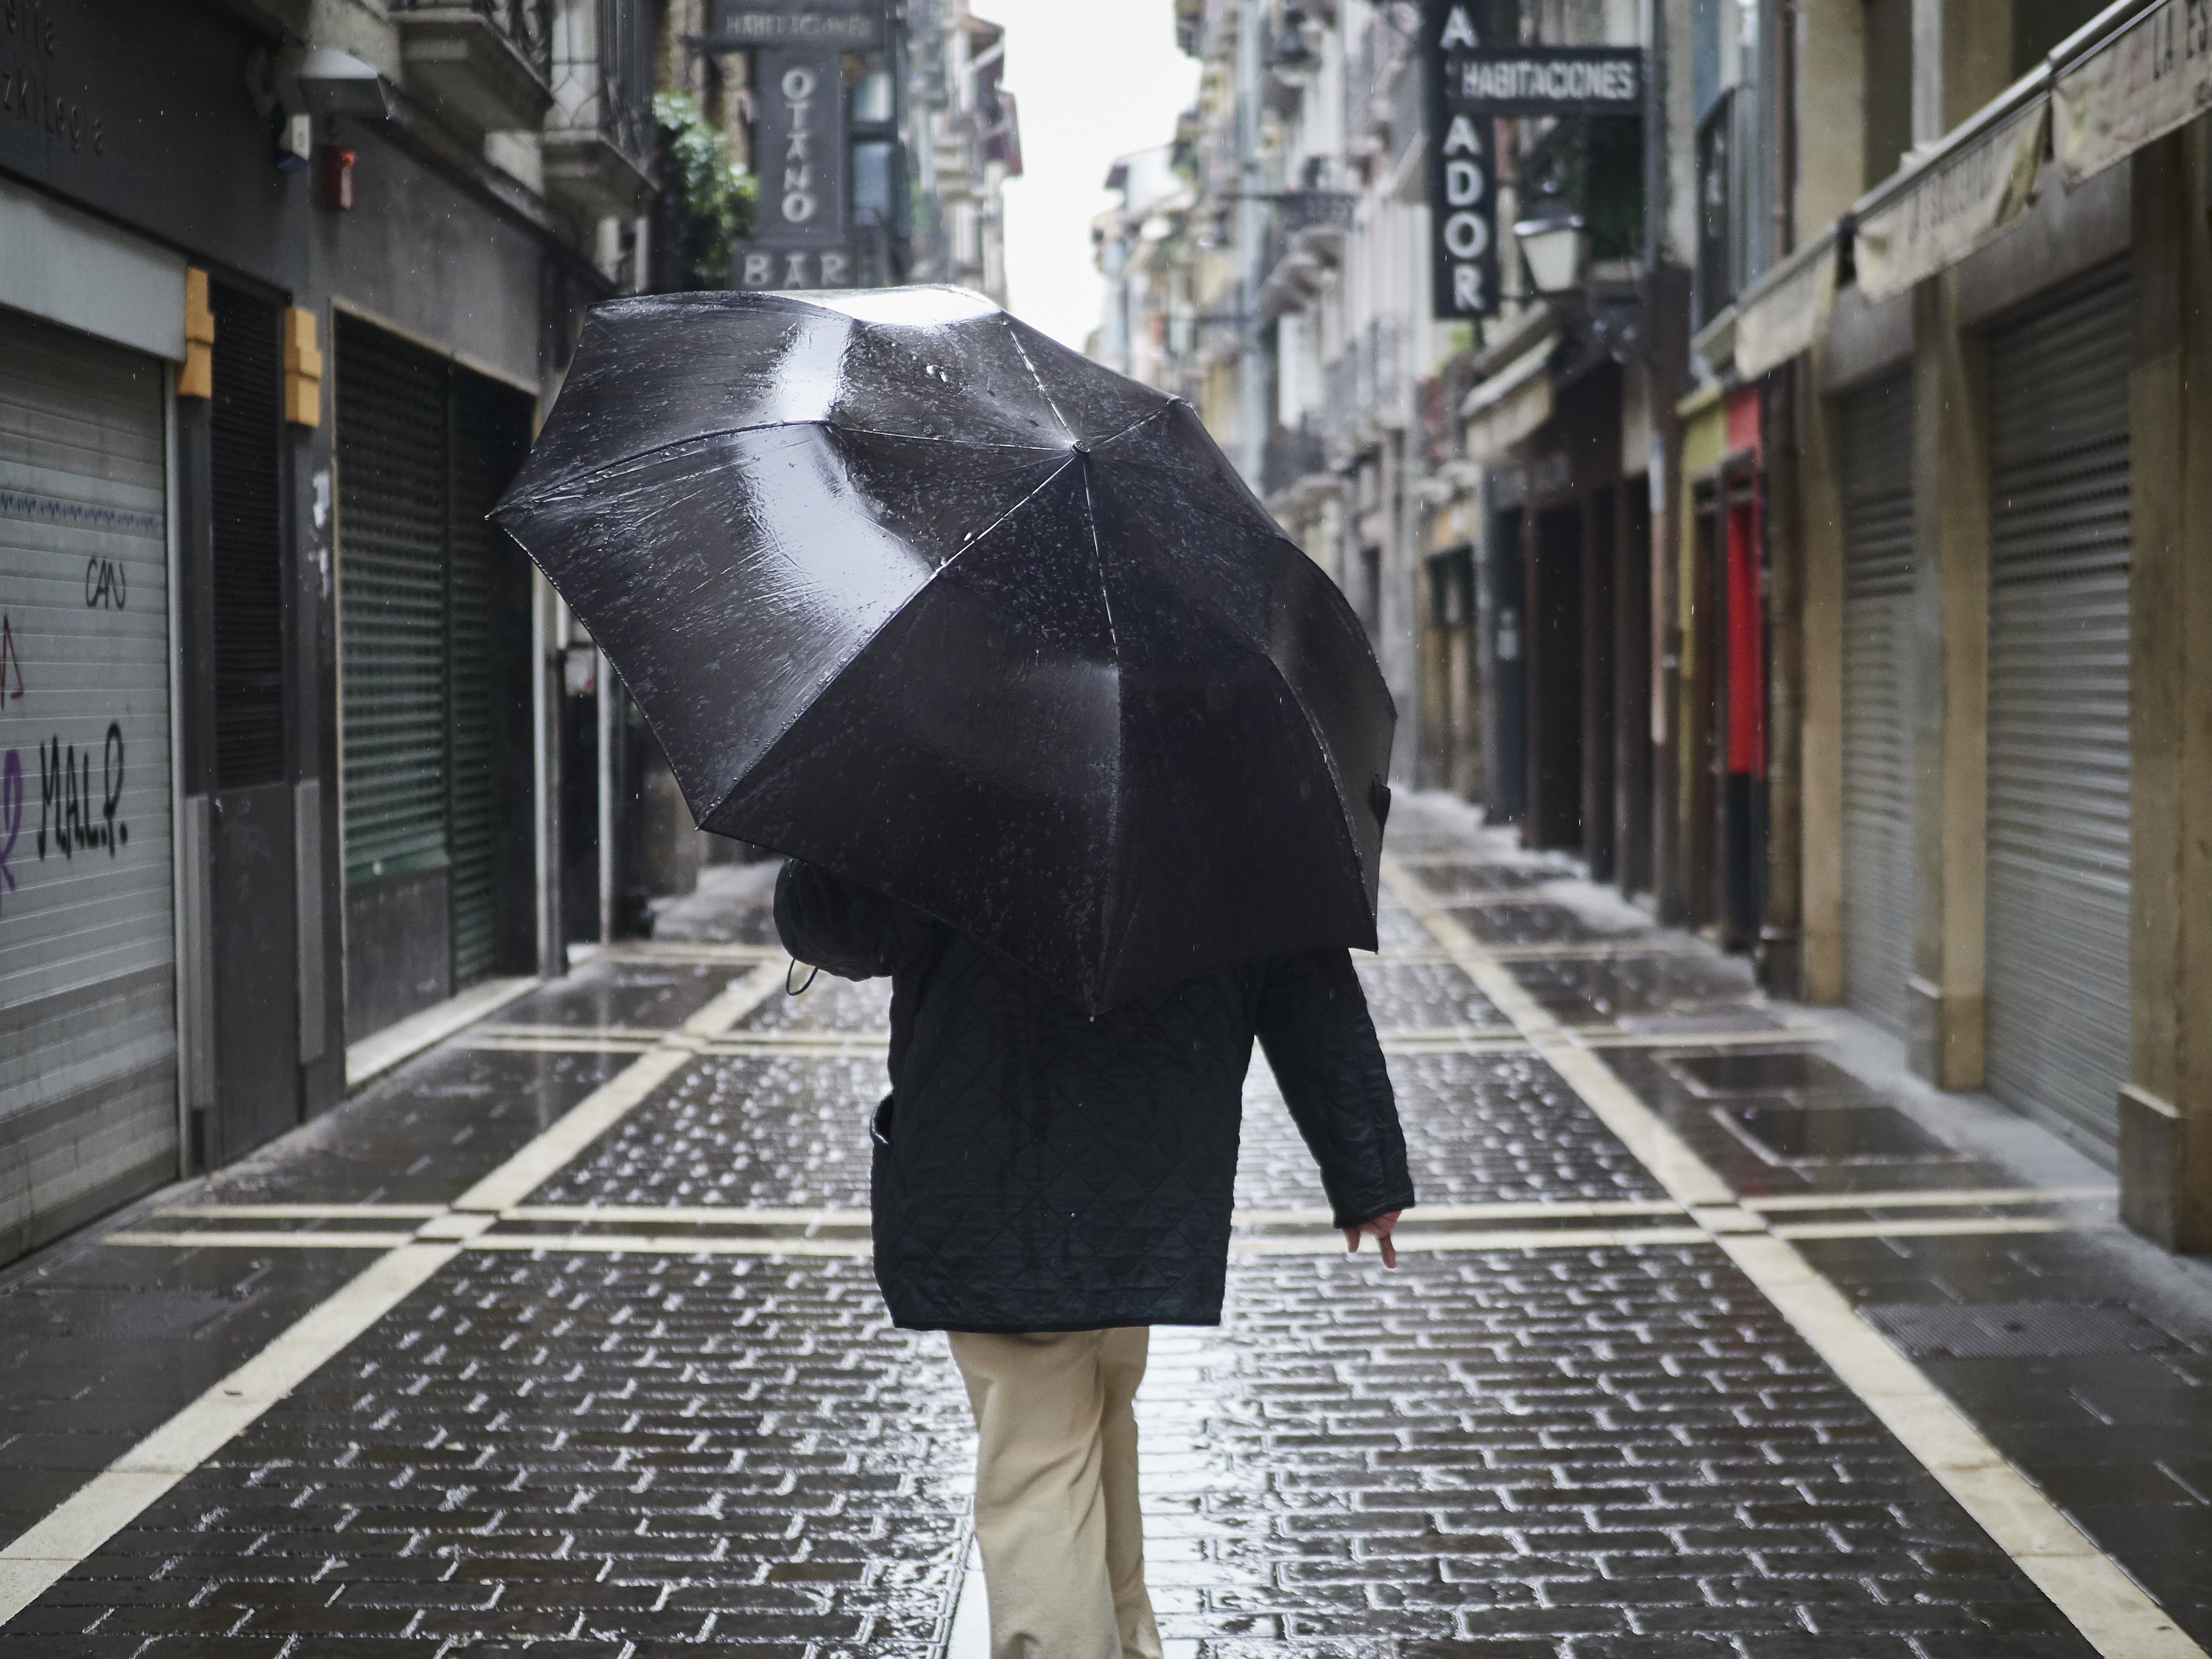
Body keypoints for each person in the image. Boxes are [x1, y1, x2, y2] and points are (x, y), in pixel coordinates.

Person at [774, 860, 1412, 1659]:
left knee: (1040, 1461)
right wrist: (1367, 1173)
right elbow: (1302, 976)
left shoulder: (950, 774)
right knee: (1097, 1425)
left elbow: (846, 931)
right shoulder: (1217, 782)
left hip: (989, 1171)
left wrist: (818, 855)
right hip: (1143, 1175)